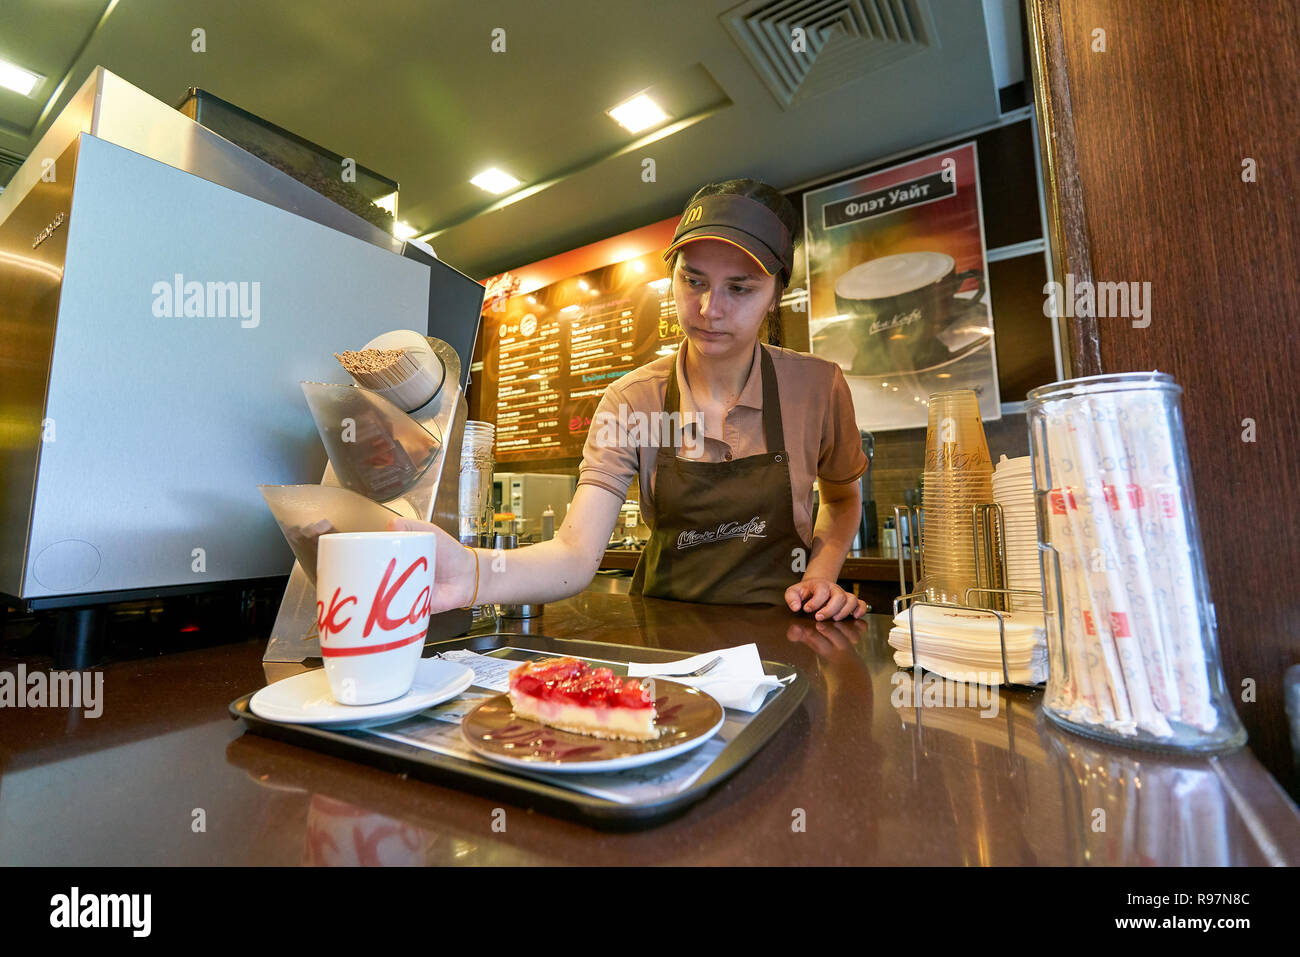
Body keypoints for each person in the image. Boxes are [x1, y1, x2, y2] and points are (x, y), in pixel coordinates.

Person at [395, 179, 870, 620]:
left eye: (740, 288)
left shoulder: (817, 386)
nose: (709, 310)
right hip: (666, 637)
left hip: (786, 627)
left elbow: (843, 499)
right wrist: (472, 573)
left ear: (775, 295)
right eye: (694, 280)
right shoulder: (631, 402)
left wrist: (820, 574)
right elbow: (576, 555)